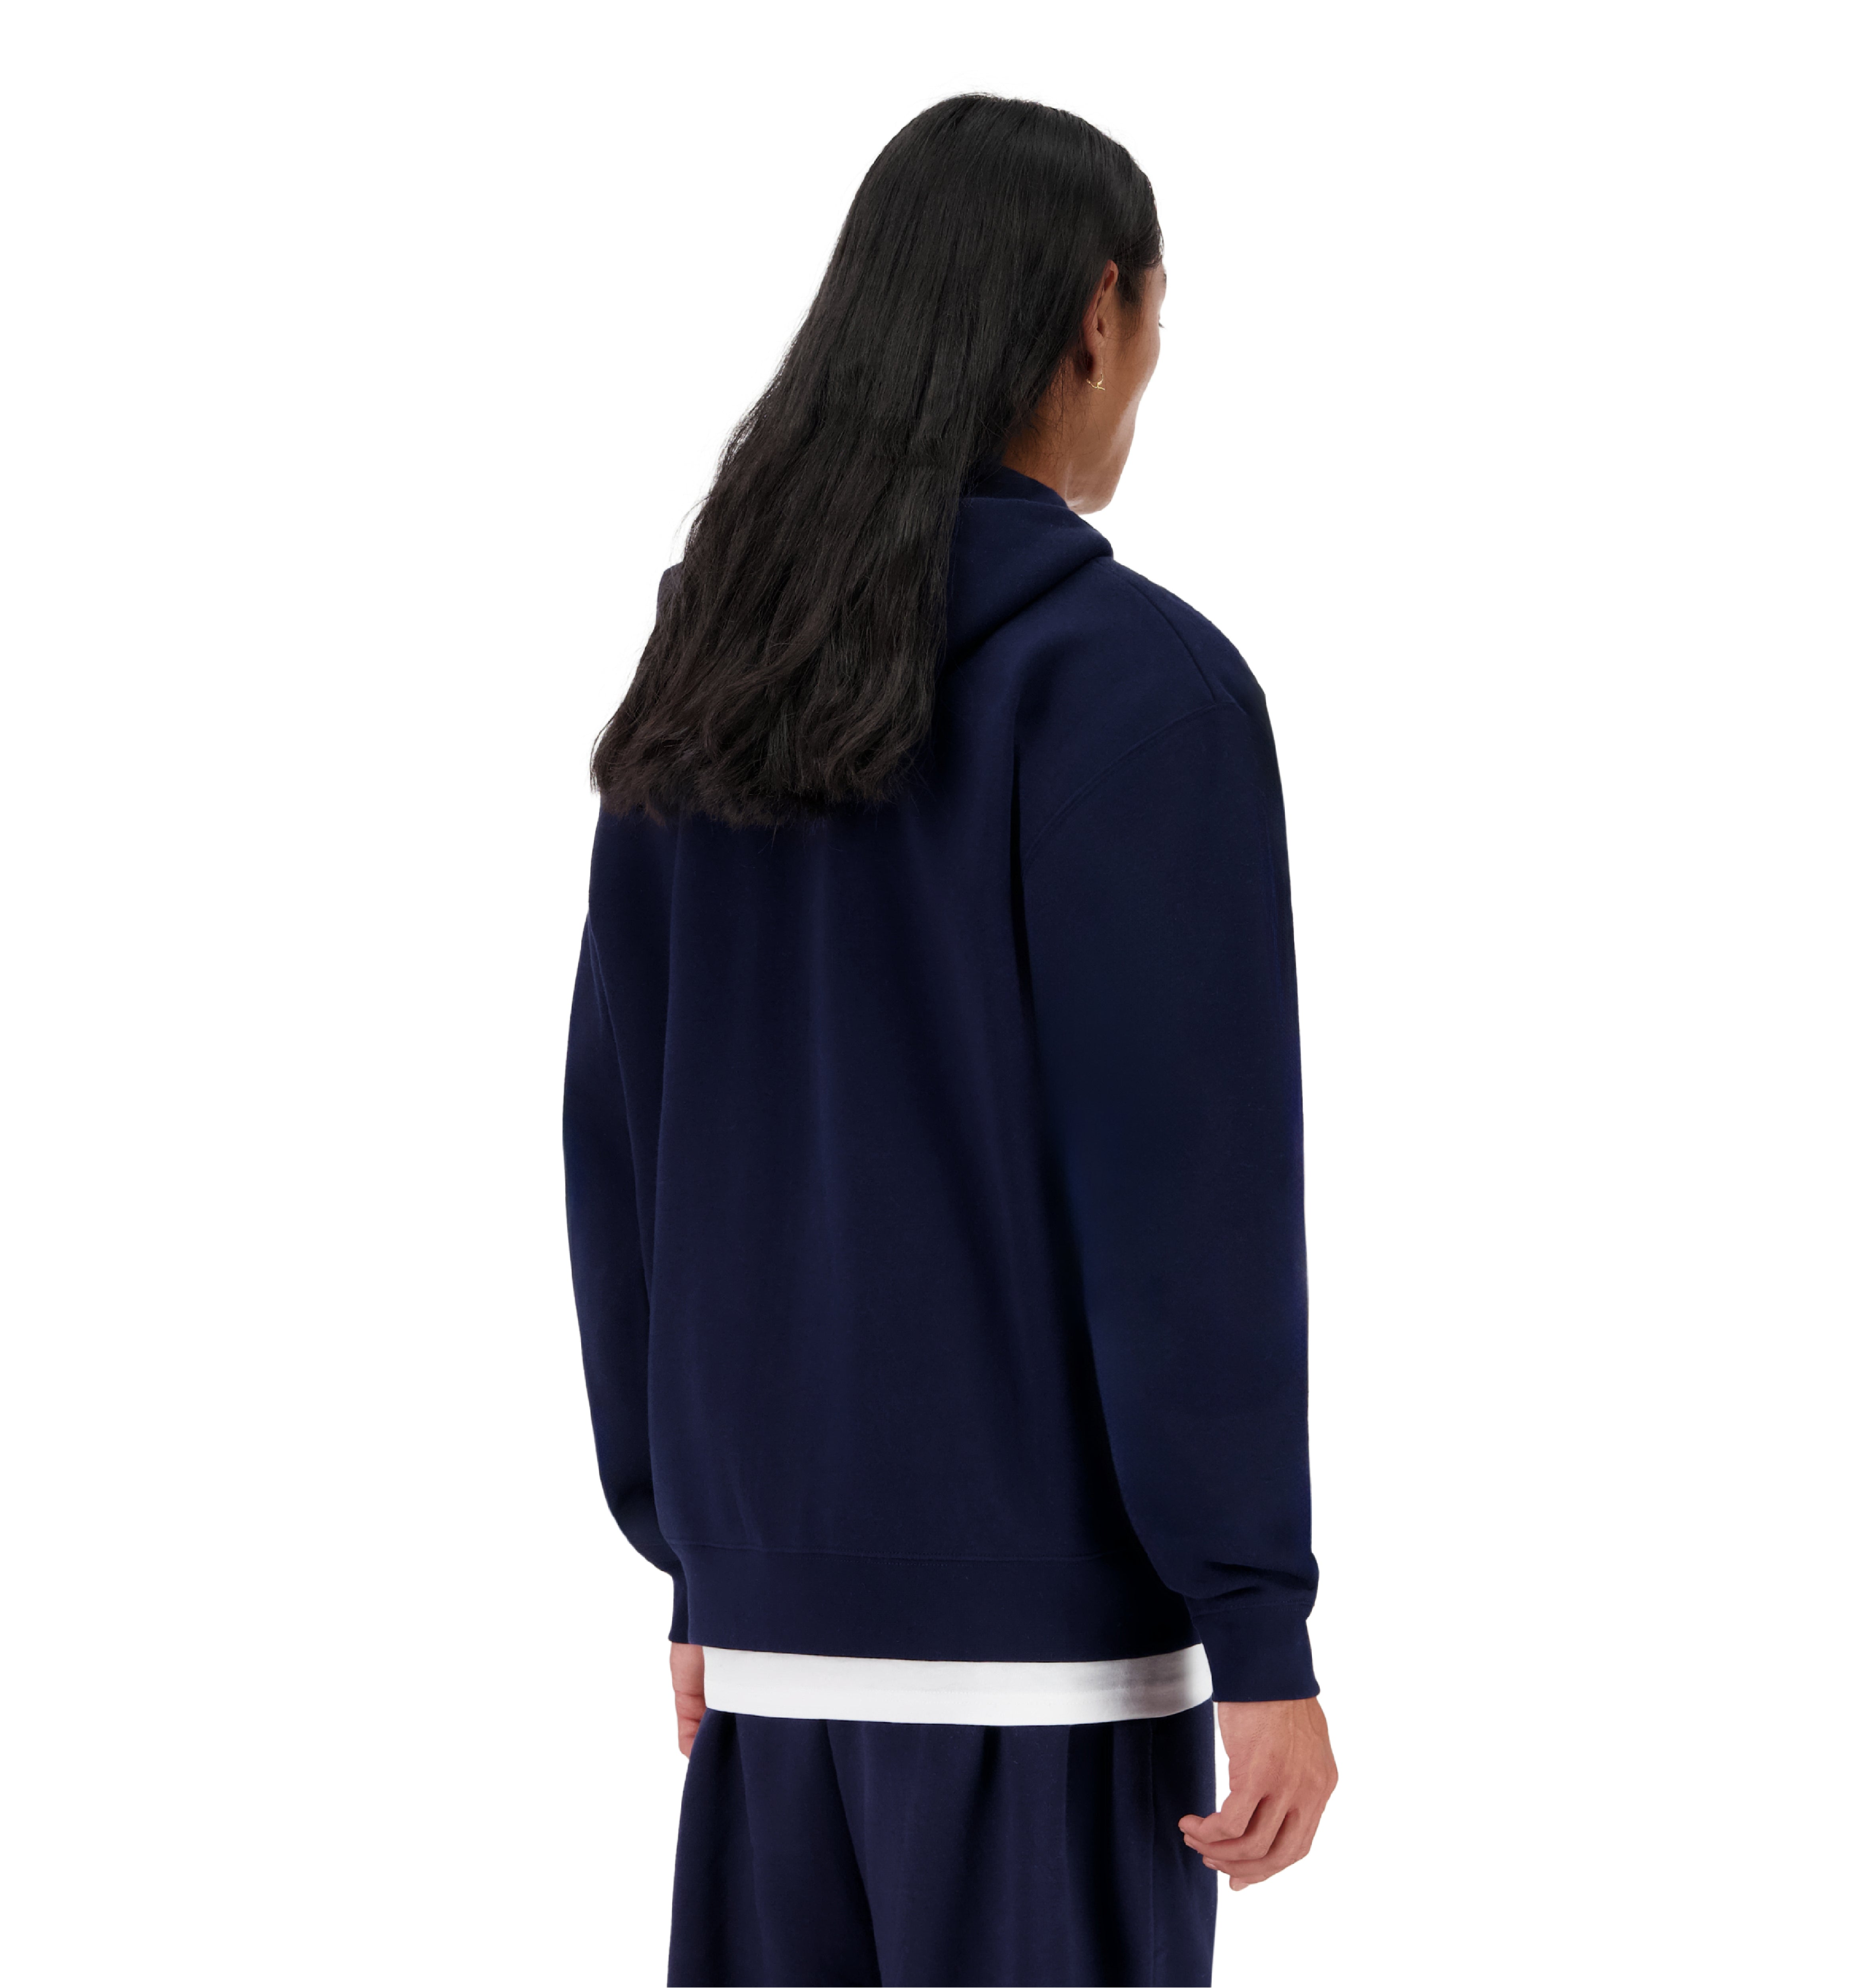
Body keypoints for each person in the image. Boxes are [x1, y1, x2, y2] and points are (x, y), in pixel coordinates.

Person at [564, 93, 1337, 1988]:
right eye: (1155, 320)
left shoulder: (711, 684)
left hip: (767, 1665)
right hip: (1043, 1681)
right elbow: (1185, 1207)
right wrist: (1260, 1628)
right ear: (1096, 314)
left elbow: (626, 1146)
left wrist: (699, 1548)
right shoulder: (1136, 693)